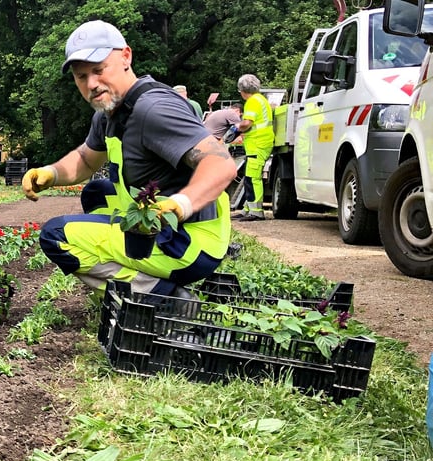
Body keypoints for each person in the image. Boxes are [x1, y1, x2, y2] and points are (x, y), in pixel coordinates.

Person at [21, 20, 236, 300]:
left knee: (56, 236)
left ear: (126, 56)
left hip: (188, 241)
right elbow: (86, 159)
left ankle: (161, 298)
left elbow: (221, 165)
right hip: (165, 231)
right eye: (81, 76)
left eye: (98, 70)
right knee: (97, 192)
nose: (92, 84)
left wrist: (180, 205)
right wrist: (50, 173)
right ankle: (145, 279)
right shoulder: (108, 112)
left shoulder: (154, 109)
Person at [230, 74, 274, 222]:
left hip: (257, 144)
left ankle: (256, 212)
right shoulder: (261, 99)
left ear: (242, 90)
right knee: (249, 177)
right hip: (260, 143)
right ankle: (247, 209)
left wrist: (236, 128)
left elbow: (247, 123)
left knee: (252, 178)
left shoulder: (252, 101)